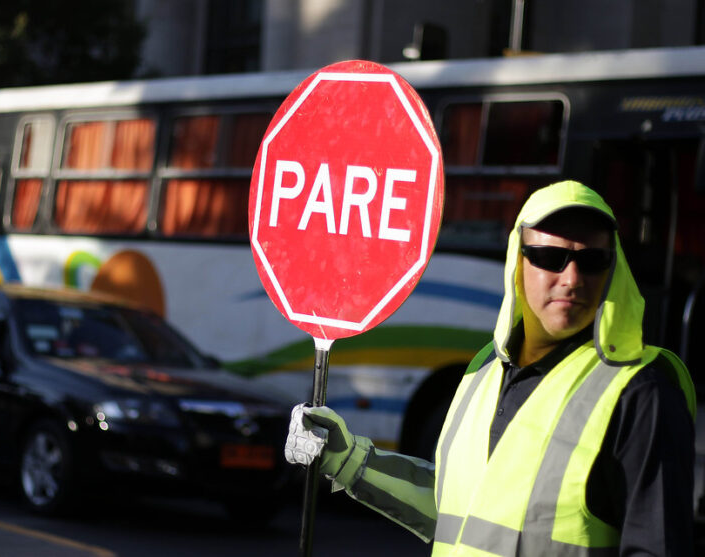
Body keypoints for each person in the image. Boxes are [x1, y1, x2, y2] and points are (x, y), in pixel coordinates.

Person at [284, 180, 697, 556]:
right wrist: (348, 459)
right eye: (550, 257)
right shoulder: (483, 369)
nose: (572, 278)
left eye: (592, 261)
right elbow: (459, 512)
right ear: (518, 262)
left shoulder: (642, 390)